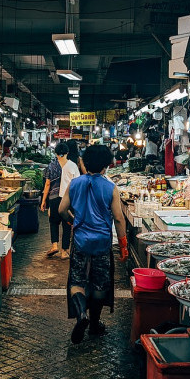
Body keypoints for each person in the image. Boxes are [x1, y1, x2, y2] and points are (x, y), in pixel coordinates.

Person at [59, 145, 128, 344]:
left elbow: (62, 209)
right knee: (100, 283)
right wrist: (123, 246)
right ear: (106, 166)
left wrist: (72, 220)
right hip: (102, 242)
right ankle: (95, 325)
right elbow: (118, 218)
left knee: (77, 280)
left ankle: (82, 315)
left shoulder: (75, 183)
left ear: (84, 162)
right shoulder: (110, 187)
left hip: (80, 240)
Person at [41, 143, 72, 259]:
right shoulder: (72, 166)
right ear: (67, 153)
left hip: (54, 198)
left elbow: (47, 184)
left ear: (56, 153)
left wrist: (44, 201)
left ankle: (54, 246)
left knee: (53, 222)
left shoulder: (51, 166)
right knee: (67, 224)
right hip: (67, 198)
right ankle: (64, 252)